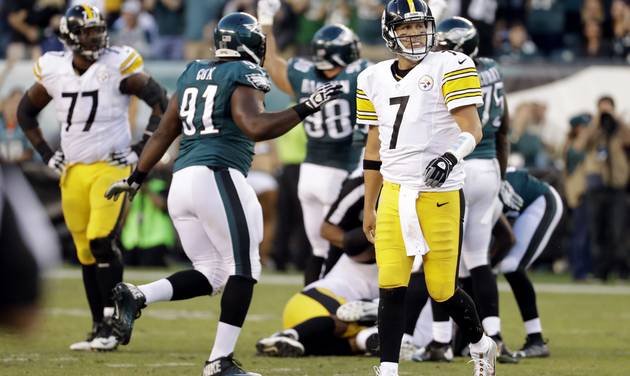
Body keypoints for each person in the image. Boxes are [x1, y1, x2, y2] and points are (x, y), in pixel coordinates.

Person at [103, 12, 342, 376]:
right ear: (252, 46)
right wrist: (306, 106)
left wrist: (137, 176)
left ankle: (139, 295)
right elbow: (255, 126)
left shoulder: (193, 71)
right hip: (217, 175)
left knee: (213, 273)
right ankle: (219, 361)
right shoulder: (242, 73)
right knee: (245, 269)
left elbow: (166, 130)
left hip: (183, 181)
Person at [16, 4, 168, 352]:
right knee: (85, 251)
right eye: (87, 31)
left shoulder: (117, 64)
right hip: (74, 170)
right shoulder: (53, 69)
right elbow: (26, 112)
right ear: (71, 36)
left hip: (110, 168)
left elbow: (160, 100)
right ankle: (99, 325)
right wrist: (45, 153)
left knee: (102, 242)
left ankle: (116, 325)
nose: (96, 36)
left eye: (98, 29)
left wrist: (138, 149)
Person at [359, 1, 496, 375]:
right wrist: (369, 202)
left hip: (439, 194)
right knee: (390, 284)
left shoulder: (450, 65)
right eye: (405, 28)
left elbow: (473, 130)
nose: (414, 34)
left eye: (420, 27)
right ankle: (388, 370)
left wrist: (450, 157)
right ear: (390, 32)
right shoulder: (370, 78)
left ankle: (483, 344)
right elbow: (374, 148)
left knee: (442, 290)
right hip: (394, 192)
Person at [258, 0, 371, 284]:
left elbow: (271, 62)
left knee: (318, 252)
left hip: (309, 173)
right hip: (342, 171)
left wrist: (266, 22)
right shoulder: (360, 76)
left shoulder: (303, 75)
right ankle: (330, 304)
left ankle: (311, 300)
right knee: (339, 246)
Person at [434, 16, 518, 363]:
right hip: (490, 168)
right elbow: (504, 128)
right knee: (479, 259)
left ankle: (439, 341)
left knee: (442, 257)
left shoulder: (450, 72)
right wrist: (500, 173)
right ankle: (494, 333)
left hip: (460, 164)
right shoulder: (492, 68)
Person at [490, 169, 564, 358]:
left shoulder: (489, 187)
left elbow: (507, 238)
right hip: (518, 207)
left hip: (541, 201)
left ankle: (536, 339)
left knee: (510, 266)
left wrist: (490, 265)